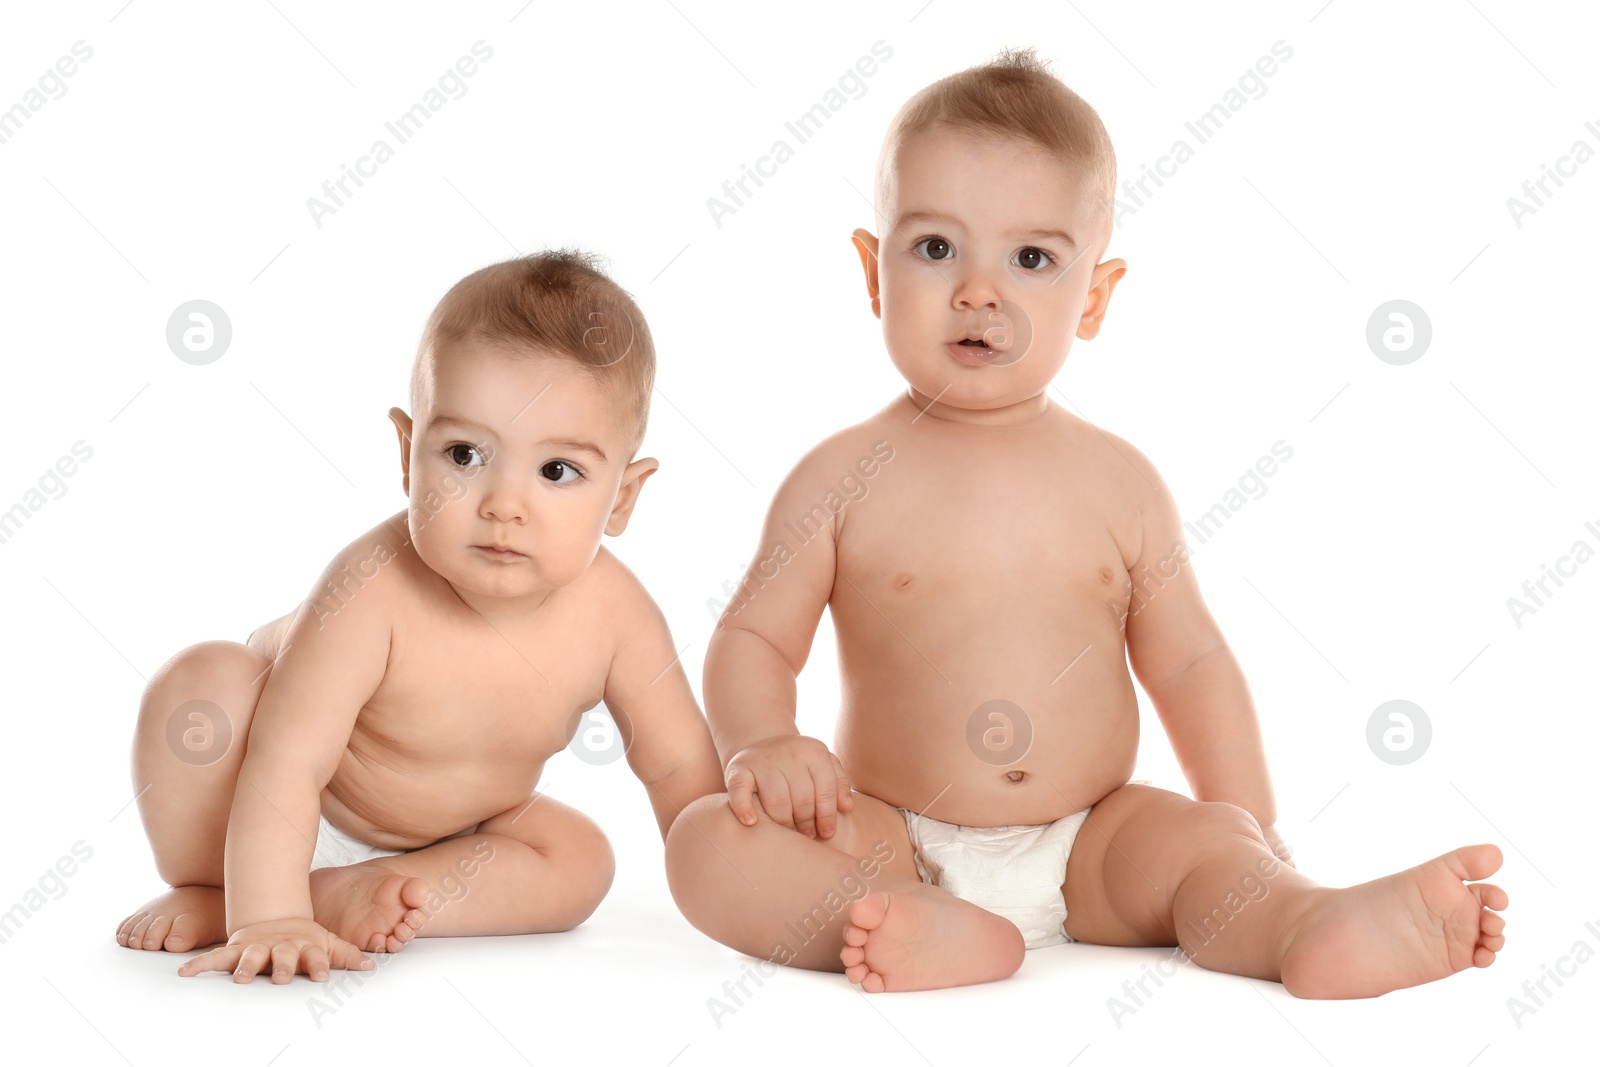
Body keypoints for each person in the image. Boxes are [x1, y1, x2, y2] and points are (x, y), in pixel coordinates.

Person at [663, 49, 1507, 997]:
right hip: (889, 835)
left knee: (1204, 849)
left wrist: (1251, 832)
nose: (980, 291)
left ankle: (1300, 917)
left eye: (1031, 259)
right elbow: (752, 637)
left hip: (1094, 840)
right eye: (936, 248)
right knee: (707, 844)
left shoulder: (1120, 482)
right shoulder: (840, 478)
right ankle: (916, 923)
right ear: (872, 270)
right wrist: (763, 743)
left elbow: (1191, 665)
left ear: (1094, 298)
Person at [117, 250, 723, 983]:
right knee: (205, 684)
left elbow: (679, 763)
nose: (504, 502)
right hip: (281, 807)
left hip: (456, 833)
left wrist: (732, 873)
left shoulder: (617, 615)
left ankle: (359, 896)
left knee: (580, 860)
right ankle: (223, 893)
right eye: (465, 454)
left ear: (622, 497)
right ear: (409, 455)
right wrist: (269, 917)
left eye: (556, 470)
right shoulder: (372, 587)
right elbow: (289, 760)